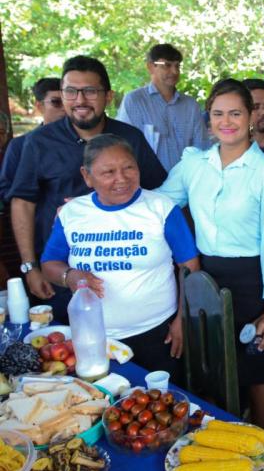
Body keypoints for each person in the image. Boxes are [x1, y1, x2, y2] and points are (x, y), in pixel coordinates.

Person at [156, 78, 264, 431]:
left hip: (254, 279)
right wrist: (104, 202)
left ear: (250, 116)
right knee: (212, 362)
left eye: (235, 112)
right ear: (209, 120)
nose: (227, 121)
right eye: (218, 114)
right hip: (204, 277)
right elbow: (157, 204)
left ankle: (263, 437)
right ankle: (220, 433)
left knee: (260, 362)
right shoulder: (194, 164)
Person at [8, 56, 167, 323]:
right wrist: (30, 267)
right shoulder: (39, 142)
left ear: (108, 96)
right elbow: (23, 202)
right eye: (71, 91)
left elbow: (158, 193)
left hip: (129, 271)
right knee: (68, 352)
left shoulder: (129, 138)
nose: (80, 99)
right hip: (59, 273)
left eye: (90, 91)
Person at [40, 134, 199, 374]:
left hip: (157, 334)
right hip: (92, 338)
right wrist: (69, 276)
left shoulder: (161, 208)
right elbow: (49, 263)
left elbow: (190, 267)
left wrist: (182, 319)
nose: (121, 179)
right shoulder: (72, 213)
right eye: (108, 172)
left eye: (128, 168)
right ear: (87, 176)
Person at [116, 43, 207, 171]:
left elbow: (201, 147)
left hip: (186, 180)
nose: (174, 71)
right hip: (148, 183)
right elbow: (123, 146)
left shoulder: (191, 105)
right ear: (150, 67)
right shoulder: (135, 101)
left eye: (177, 66)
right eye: (167, 65)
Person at [0, 78, 65, 201]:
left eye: (67, 102)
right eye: (56, 102)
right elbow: (5, 189)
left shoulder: (83, 141)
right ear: (39, 106)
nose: (64, 108)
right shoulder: (19, 145)